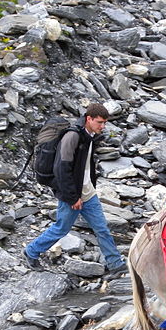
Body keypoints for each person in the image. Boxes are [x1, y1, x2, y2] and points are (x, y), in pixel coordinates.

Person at [22, 103, 127, 275]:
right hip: (72, 194)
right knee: (61, 228)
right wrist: (72, 197)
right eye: (100, 122)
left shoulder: (90, 135)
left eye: (105, 123)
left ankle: (115, 264)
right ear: (89, 119)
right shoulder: (72, 136)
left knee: (101, 228)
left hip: (88, 192)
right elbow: (61, 169)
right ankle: (31, 251)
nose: (103, 126)